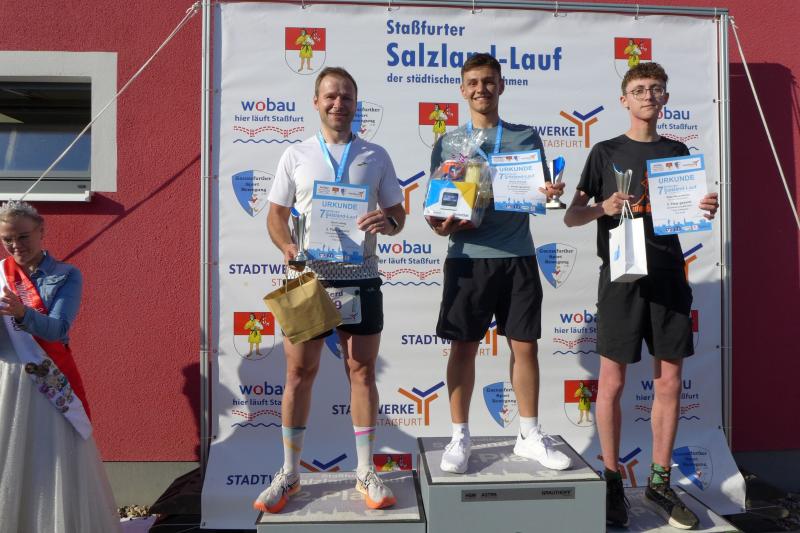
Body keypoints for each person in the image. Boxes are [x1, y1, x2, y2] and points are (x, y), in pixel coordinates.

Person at [564, 62, 719, 530]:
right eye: (638, 89)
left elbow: (687, 211)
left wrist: (703, 206)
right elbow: (572, 216)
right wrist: (602, 207)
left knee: (669, 383)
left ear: (665, 97)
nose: (648, 95)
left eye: (655, 89)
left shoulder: (678, 151)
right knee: (611, 383)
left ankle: (658, 482)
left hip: (668, 276)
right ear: (624, 100)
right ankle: (612, 481)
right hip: (620, 280)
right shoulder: (604, 152)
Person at [254, 66, 406, 514]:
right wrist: (286, 245)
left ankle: (365, 470)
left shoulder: (376, 155)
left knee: (362, 372)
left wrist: (388, 221)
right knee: (298, 374)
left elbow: (398, 215)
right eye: (331, 96)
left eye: (347, 97)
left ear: (356, 104)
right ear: (316, 102)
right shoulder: (296, 154)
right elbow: (276, 215)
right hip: (309, 278)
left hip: (361, 275)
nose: (339, 104)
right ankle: (290, 472)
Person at [426, 53, 571, 474]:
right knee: (463, 347)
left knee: (525, 347)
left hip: (518, 255)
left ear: (502, 86)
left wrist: (549, 192)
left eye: (489, 81)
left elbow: (540, 190)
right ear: (462, 89)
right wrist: (440, 224)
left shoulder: (526, 137)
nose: (481, 89)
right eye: (473, 82)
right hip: (467, 258)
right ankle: (459, 436)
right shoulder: (448, 143)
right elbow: (436, 211)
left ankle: (529, 434)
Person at [0, 201, 120, 532]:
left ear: (42, 231)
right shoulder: (0, 274)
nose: (15, 246)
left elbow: (58, 330)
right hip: (7, 381)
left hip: (47, 379)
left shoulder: (66, 275)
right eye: (7, 239)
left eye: (23, 237)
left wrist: (22, 314)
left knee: (50, 458)